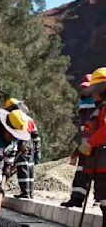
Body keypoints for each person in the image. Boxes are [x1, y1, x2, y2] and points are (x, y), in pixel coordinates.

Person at [61, 74, 96, 207]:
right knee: (81, 172)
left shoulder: (99, 103)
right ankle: (76, 199)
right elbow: (83, 128)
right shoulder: (83, 103)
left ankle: (98, 201)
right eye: (84, 88)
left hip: (96, 142)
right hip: (86, 143)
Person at [78, 67, 106, 227]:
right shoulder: (100, 108)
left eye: (96, 90)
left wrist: (90, 142)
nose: (93, 94)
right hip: (99, 164)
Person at [4, 98, 41, 199]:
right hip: (30, 147)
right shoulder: (28, 119)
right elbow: (36, 135)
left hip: (21, 146)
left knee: (23, 169)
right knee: (29, 169)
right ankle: (30, 192)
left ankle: (25, 192)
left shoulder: (14, 118)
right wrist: (37, 149)